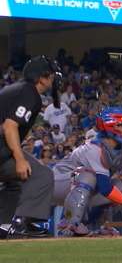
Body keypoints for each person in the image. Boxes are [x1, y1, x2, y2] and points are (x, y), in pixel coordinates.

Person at [51, 107, 122, 236]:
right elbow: (105, 188)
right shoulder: (94, 148)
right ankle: (69, 225)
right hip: (57, 183)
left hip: (79, 185)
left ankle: (89, 226)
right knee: (89, 177)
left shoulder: (120, 148)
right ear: (112, 127)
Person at [0, 56, 60, 238]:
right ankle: (21, 222)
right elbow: (9, 126)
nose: (53, 79)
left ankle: (3, 225)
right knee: (42, 175)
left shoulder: (17, 89)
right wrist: (19, 159)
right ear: (41, 78)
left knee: (16, 183)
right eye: (51, 75)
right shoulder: (29, 93)